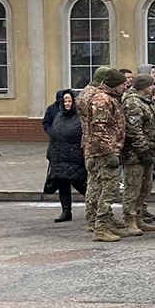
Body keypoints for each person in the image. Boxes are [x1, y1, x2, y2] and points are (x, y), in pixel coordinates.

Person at [83, 69, 128, 242]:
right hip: (103, 152)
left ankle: (106, 224)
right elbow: (99, 128)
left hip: (107, 149)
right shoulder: (101, 100)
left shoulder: (108, 98)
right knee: (109, 189)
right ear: (114, 84)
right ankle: (100, 227)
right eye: (123, 84)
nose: (125, 87)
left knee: (108, 188)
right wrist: (109, 152)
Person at [120, 74, 155, 235]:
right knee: (133, 188)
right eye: (150, 85)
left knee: (145, 187)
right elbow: (134, 130)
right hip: (134, 155)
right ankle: (129, 220)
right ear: (143, 86)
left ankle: (138, 217)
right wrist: (143, 150)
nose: (153, 87)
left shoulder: (147, 101)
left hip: (147, 152)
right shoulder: (133, 103)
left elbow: (154, 127)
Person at [44, 90, 87, 223]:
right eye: (65, 101)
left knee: (81, 184)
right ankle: (66, 211)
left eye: (70, 101)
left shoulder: (81, 117)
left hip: (75, 157)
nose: (67, 104)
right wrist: (50, 154)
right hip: (59, 157)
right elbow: (53, 135)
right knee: (62, 184)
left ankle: (96, 208)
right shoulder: (58, 116)